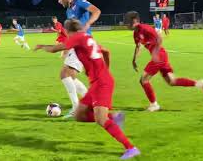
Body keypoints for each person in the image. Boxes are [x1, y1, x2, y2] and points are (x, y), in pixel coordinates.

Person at [35, 19, 140, 160]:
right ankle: (114, 117)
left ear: (67, 31)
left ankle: (130, 148)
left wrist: (42, 46)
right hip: (98, 82)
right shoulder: (88, 37)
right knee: (79, 115)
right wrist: (105, 70)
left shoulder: (76, 37)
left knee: (101, 119)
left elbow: (55, 49)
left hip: (101, 83)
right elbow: (107, 52)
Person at [125, 11, 203, 112]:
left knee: (143, 80)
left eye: (127, 21)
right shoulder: (136, 33)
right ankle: (200, 83)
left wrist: (155, 53)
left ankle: (154, 105)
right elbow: (138, 46)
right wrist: (134, 60)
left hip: (159, 56)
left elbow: (160, 38)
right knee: (172, 81)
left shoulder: (145, 28)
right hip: (161, 56)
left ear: (134, 21)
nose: (125, 23)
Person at [56, 0, 101, 117]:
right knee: (70, 76)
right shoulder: (68, 11)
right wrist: (67, 48)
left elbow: (96, 11)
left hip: (84, 43)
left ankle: (77, 108)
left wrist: (88, 24)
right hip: (76, 45)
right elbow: (70, 33)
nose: (59, 1)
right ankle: (90, 101)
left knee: (65, 74)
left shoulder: (79, 2)